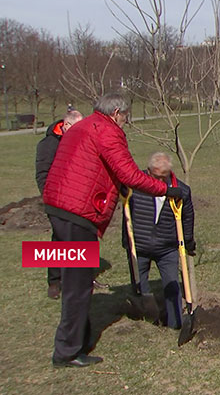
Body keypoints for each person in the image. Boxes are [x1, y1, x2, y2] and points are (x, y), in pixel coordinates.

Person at [42, 93, 181, 368]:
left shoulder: (83, 126)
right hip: (77, 212)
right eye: (125, 117)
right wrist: (166, 189)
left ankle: (76, 337)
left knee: (73, 280)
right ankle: (68, 351)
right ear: (117, 112)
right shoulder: (107, 131)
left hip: (59, 206)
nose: (125, 122)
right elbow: (129, 173)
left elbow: (94, 165)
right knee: (79, 285)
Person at [122, 152, 194, 329]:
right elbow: (126, 213)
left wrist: (188, 241)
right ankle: (149, 317)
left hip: (167, 247)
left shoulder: (181, 190)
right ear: (148, 172)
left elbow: (187, 217)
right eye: (156, 177)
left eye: (164, 177)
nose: (161, 182)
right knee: (140, 285)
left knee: (172, 285)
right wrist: (126, 240)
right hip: (139, 245)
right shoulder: (135, 186)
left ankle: (175, 322)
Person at [35, 109, 84, 300]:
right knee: (60, 238)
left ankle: (83, 277)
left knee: (83, 236)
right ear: (65, 125)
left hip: (79, 198)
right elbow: (42, 174)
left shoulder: (81, 140)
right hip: (57, 200)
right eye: (76, 128)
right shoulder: (48, 145)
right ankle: (55, 281)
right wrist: (50, 198)